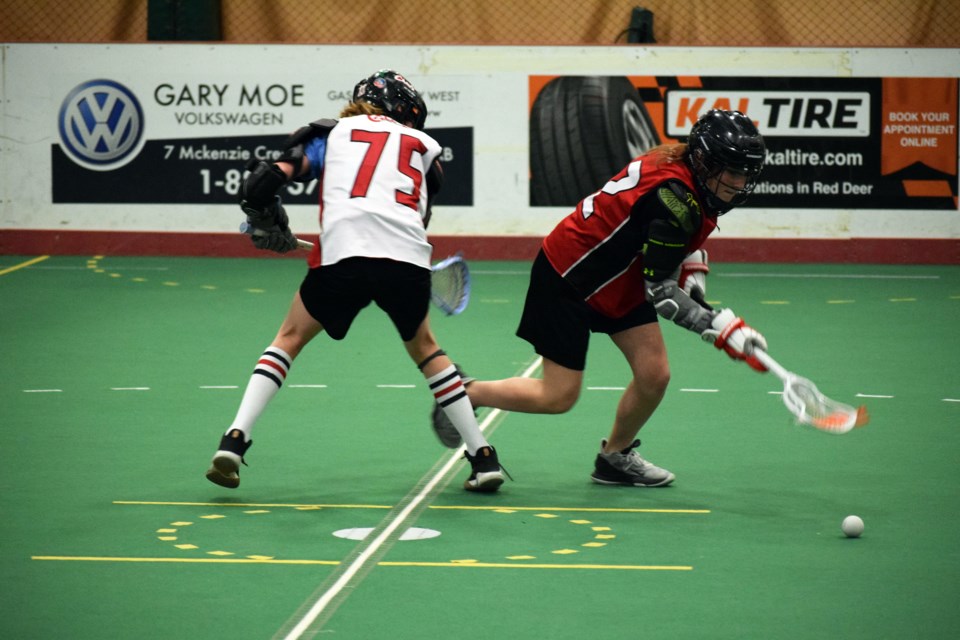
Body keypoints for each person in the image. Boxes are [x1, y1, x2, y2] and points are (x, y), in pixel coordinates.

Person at [432, 109, 768, 487]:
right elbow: (663, 294)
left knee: (654, 374)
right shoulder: (674, 199)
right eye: (733, 172)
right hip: (569, 277)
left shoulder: (681, 169)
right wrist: (720, 327)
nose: (740, 183)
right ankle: (465, 393)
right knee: (557, 396)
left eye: (745, 173)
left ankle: (615, 458)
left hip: (621, 276)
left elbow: (678, 250)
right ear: (705, 162)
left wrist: (696, 282)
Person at [206, 69, 505, 493]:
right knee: (426, 349)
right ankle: (482, 456)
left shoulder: (332, 134)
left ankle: (234, 440)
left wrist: (263, 217)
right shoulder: (425, 147)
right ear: (405, 111)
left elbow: (265, 180)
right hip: (406, 260)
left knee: (288, 338)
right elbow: (416, 218)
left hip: (342, 256)